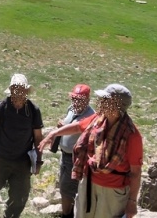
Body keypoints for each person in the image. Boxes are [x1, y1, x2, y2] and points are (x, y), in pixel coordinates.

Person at [39, 84, 142, 218]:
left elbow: (136, 172)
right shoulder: (97, 119)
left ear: (116, 104)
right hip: (88, 183)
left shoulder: (132, 135)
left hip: (113, 191)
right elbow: (77, 127)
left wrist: (132, 202)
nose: (100, 102)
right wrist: (54, 133)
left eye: (105, 99)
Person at [0, 74, 44, 218]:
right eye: (15, 89)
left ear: (27, 91)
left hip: (22, 162)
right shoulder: (1, 108)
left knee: (20, 198)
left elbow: (38, 137)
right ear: (11, 90)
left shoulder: (33, 110)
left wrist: (38, 160)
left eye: (21, 89)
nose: (18, 92)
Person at [51, 84, 95, 218]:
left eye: (80, 99)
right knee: (65, 188)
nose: (76, 102)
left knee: (67, 189)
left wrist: (66, 127)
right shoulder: (71, 109)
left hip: (76, 158)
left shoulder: (90, 116)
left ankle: (67, 215)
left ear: (87, 100)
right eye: (74, 98)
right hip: (64, 155)